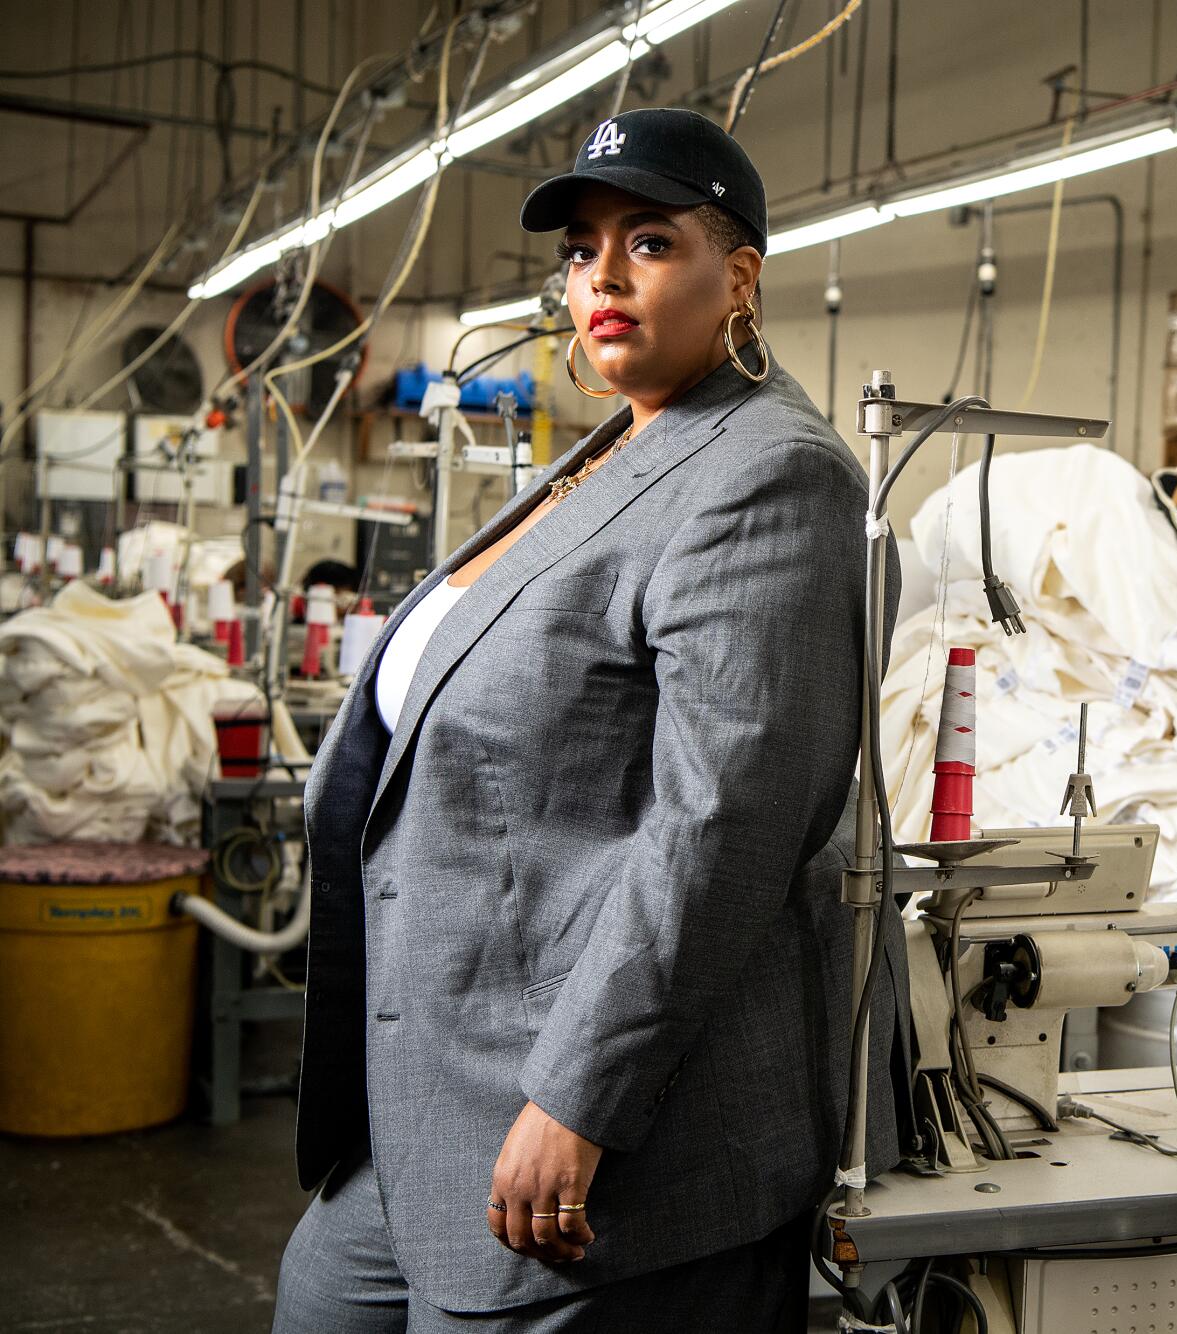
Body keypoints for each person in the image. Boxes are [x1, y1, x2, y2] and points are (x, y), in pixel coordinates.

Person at [274, 108, 905, 1332]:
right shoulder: (608, 455)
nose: (600, 276)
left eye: (650, 241)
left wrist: (575, 1101)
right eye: (579, 247)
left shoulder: (769, 471)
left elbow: (720, 829)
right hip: (428, 1097)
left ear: (741, 277)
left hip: (597, 1142)